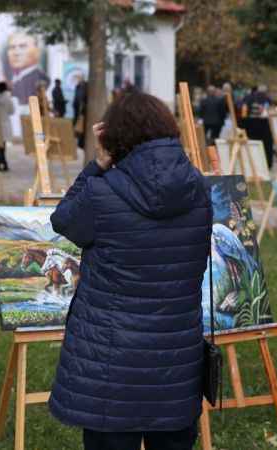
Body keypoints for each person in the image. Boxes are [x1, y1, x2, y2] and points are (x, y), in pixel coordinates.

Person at [48, 91, 210, 450]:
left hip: (111, 367)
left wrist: (97, 165)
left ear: (115, 136)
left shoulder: (102, 193)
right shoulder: (198, 190)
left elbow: (64, 220)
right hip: (176, 364)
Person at [5, 32, 50, 103]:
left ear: (37, 51)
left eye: (22, 46)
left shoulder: (41, 79)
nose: (16, 53)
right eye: (12, 47)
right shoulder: (11, 77)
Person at [73, 75, 88, 148]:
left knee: (81, 125)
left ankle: (80, 142)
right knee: (80, 125)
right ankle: (80, 141)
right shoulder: (80, 87)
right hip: (80, 109)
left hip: (82, 110)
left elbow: (80, 98)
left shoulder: (83, 87)